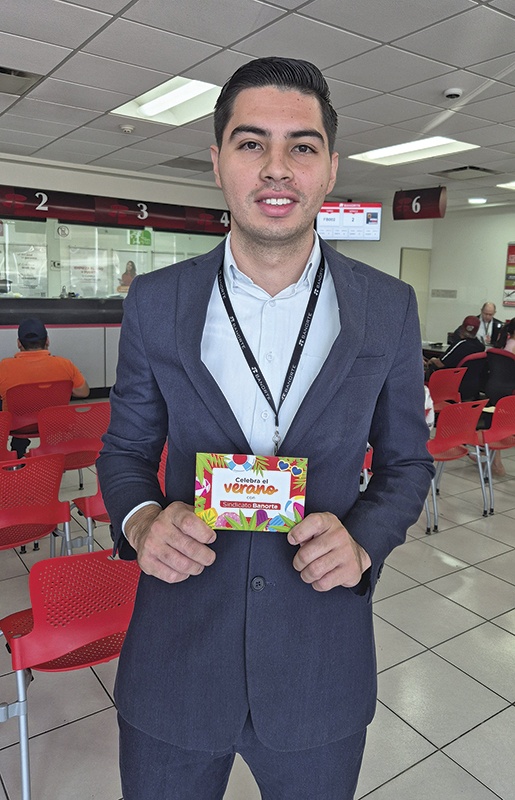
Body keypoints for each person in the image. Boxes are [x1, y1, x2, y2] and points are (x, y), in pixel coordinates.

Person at [97, 56, 434, 800]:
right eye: (251, 143)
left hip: (319, 662)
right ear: (218, 160)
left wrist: (363, 541)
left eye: (301, 146)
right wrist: (142, 519)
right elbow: (124, 450)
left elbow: (408, 464)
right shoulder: (156, 301)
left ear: (330, 168)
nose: (276, 168)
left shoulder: (388, 307)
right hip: (176, 658)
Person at [0, 317, 89, 456]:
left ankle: (16, 451)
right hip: (54, 424)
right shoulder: (65, 364)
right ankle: (51, 451)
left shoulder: (4, 367)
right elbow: (83, 392)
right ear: (47, 341)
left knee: (14, 406)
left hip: (17, 426)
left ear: (19, 343)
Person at [425, 315, 485, 379]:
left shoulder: (460, 345)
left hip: (447, 378)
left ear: (462, 328)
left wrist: (432, 360)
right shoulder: (481, 347)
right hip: (469, 380)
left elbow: (440, 364)